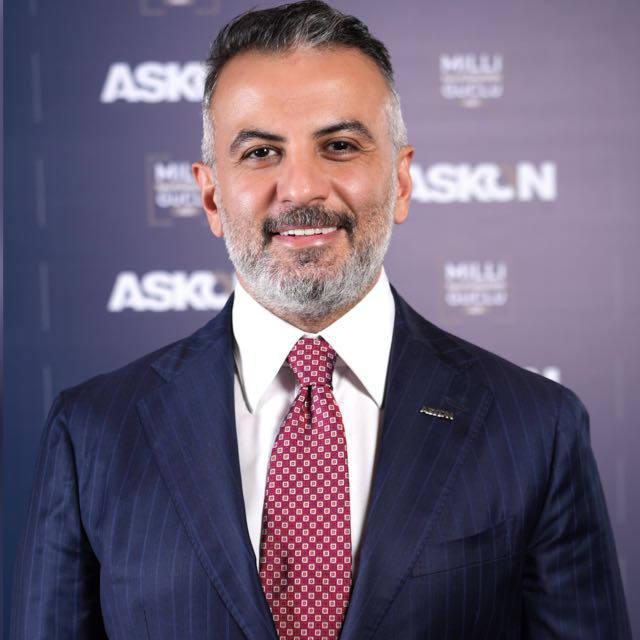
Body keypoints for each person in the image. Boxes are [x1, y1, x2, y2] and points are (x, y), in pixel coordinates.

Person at [10, 1, 631, 639]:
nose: (301, 187)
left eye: (339, 146)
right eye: (260, 152)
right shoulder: (92, 436)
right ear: (211, 195)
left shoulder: (536, 429)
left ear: (401, 181)